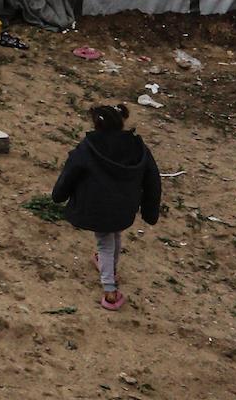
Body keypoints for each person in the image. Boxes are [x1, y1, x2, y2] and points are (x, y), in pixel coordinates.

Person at [50, 102, 162, 310]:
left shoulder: (88, 147)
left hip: (96, 208)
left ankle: (110, 290)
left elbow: (70, 172)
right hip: (125, 207)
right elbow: (153, 179)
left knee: (105, 242)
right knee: (115, 234)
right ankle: (109, 266)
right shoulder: (138, 147)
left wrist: (58, 195)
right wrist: (150, 211)